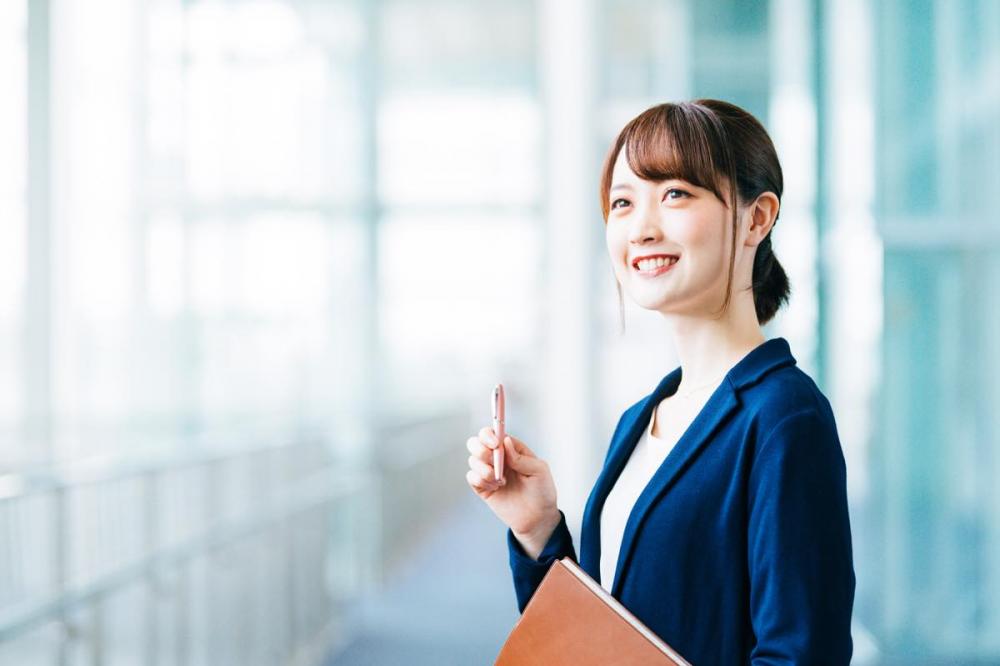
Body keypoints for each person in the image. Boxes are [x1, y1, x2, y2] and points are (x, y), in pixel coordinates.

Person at [465, 99, 855, 664]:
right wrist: (537, 527)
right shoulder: (641, 418)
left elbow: (802, 654)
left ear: (757, 217)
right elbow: (596, 642)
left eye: (675, 193)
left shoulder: (783, 417)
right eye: (623, 203)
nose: (642, 228)